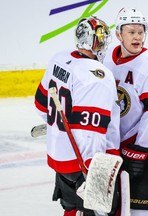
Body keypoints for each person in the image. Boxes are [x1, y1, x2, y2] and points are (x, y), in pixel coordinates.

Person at [34, 16, 121, 216]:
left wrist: (58, 130)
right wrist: (95, 173)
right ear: (96, 41)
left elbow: (40, 105)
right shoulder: (97, 75)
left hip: (59, 156)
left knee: (71, 209)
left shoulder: (59, 59)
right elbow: (90, 133)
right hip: (82, 162)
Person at [103, 7, 148, 216]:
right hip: (112, 148)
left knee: (140, 213)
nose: (137, 37)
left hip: (144, 150)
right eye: (131, 32)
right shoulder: (105, 59)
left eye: (141, 32)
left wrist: (139, 149)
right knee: (108, 210)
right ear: (118, 34)